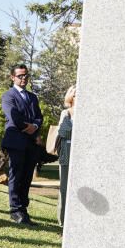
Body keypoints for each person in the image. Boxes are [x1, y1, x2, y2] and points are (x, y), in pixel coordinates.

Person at [1, 64, 44, 225]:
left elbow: (39, 116)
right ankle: (15, 210)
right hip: (16, 141)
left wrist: (36, 126)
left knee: (26, 177)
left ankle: (23, 210)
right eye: (20, 76)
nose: (23, 78)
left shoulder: (32, 97)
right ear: (13, 77)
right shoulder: (8, 96)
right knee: (16, 175)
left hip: (31, 143)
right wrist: (29, 127)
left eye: (26, 75)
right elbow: (14, 117)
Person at [56, 85, 76, 226]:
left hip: (80, 154)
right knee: (64, 187)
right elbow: (63, 132)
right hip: (66, 152)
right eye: (75, 94)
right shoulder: (66, 113)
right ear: (70, 97)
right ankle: (62, 220)